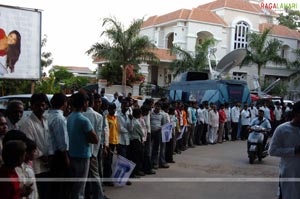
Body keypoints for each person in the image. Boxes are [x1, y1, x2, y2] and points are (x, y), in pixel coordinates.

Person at [20, 93, 53, 199]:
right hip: (35, 165)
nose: (41, 108)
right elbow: (29, 144)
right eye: (38, 105)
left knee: (46, 193)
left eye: (43, 105)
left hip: (47, 165)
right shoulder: (27, 123)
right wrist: (44, 157)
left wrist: (50, 157)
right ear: (32, 106)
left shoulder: (46, 120)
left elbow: (49, 141)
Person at [67, 92, 99, 199]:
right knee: (80, 186)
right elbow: (95, 139)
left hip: (72, 154)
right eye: (87, 102)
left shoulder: (69, 117)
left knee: (74, 186)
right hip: (82, 156)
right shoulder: (84, 120)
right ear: (83, 103)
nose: (88, 104)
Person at [269, 101, 300, 199]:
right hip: (290, 173)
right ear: (296, 114)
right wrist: (293, 150)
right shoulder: (282, 129)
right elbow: (272, 150)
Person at [82, 93, 106, 199]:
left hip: (82, 150)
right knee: (94, 175)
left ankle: (93, 195)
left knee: (85, 176)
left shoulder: (80, 115)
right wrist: (94, 153)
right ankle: (98, 195)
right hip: (93, 150)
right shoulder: (99, 116)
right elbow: (99, 136)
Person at [47, 93, 70, 199]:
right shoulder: (59, 118)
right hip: (59, 156)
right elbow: (62, 142)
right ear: (64, 103)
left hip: (51, 155)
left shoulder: (47, 115)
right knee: (60, 187)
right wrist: (66, 158)